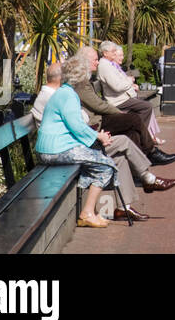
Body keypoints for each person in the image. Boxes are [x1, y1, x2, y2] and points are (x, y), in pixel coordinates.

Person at [35, 58, 121, 229]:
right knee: (106, 165)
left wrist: (97, 136)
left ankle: (89, 211)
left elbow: (75, 125)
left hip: (55, 147)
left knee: (98, 161)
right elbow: (77, 125)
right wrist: (99, 137)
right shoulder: (68, 95)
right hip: (55, 150)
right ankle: (87, 213)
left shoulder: (64, 92)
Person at [68, 47, 174, 164]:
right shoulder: (81, 82)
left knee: (132, 132)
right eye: (95, 60)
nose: (97, 62)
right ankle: (151, 152)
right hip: (95, 122)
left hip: (101, 115)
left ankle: (140, 163)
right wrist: (118, 112)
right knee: (134, 118)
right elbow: (98, 105)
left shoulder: (84, 79)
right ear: (85, 61)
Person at [97, 41, 164, 145]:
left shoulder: (108, 64)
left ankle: (141, 134)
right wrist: (129, 81)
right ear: (105, 53)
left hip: (122, 97)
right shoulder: (105, 66)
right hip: (117, 101)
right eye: (113, 51)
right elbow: (117, 87)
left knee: (144, 106)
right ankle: (141, 135)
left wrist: (128, 82)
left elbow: (120, 82)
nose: (115, 53)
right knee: (146, 107)